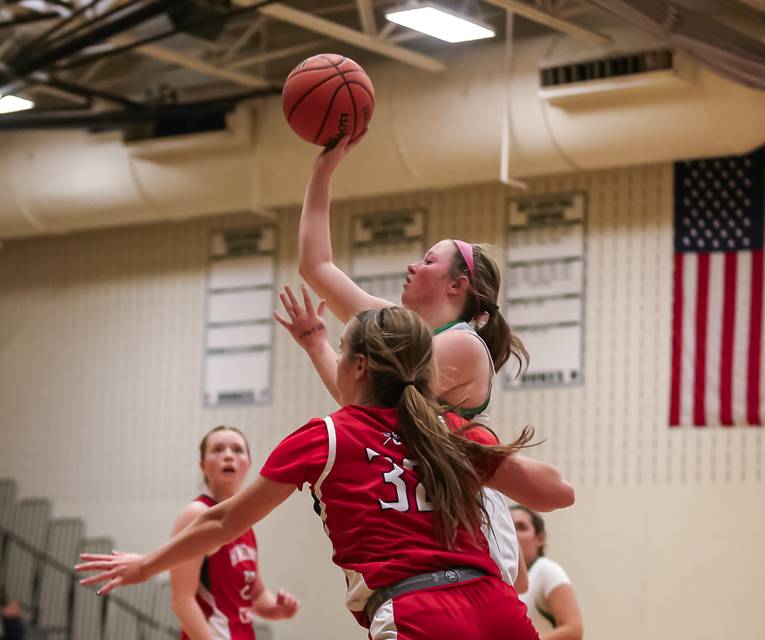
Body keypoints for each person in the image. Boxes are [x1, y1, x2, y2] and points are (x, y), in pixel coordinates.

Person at [76, 307, 574, 640]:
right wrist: (478, 445)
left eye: (339, 349)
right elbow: (558, 493)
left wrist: (146, 566)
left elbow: (220, 522)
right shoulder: (447, 430)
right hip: (495, 608)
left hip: (418, 610)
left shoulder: (327, 435)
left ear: (357, 366)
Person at [282, 138, 530, 591]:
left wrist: (319, 344)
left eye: (429, 259)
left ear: (457, 284)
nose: (413, 266)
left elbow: (362, 395)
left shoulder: (464, 345)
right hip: (430, 516)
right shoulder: (410, 336)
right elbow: (316, 264)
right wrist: (323, 172)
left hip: (468, 523)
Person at [171, 426, 299, 640]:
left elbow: (256, 596)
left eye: (237, 450)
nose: (228, 456)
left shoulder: (245, 524)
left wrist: (277, 609)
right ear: (202, 465)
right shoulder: (196, 515)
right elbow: (181, 600)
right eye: (218, 449)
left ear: (249, 464)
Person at [511, 506, 583, 640]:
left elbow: (573, 630)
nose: (514, 533)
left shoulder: (546, 570)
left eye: (521, 527)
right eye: (509, 526)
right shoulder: (503, 577)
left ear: (540, 538)